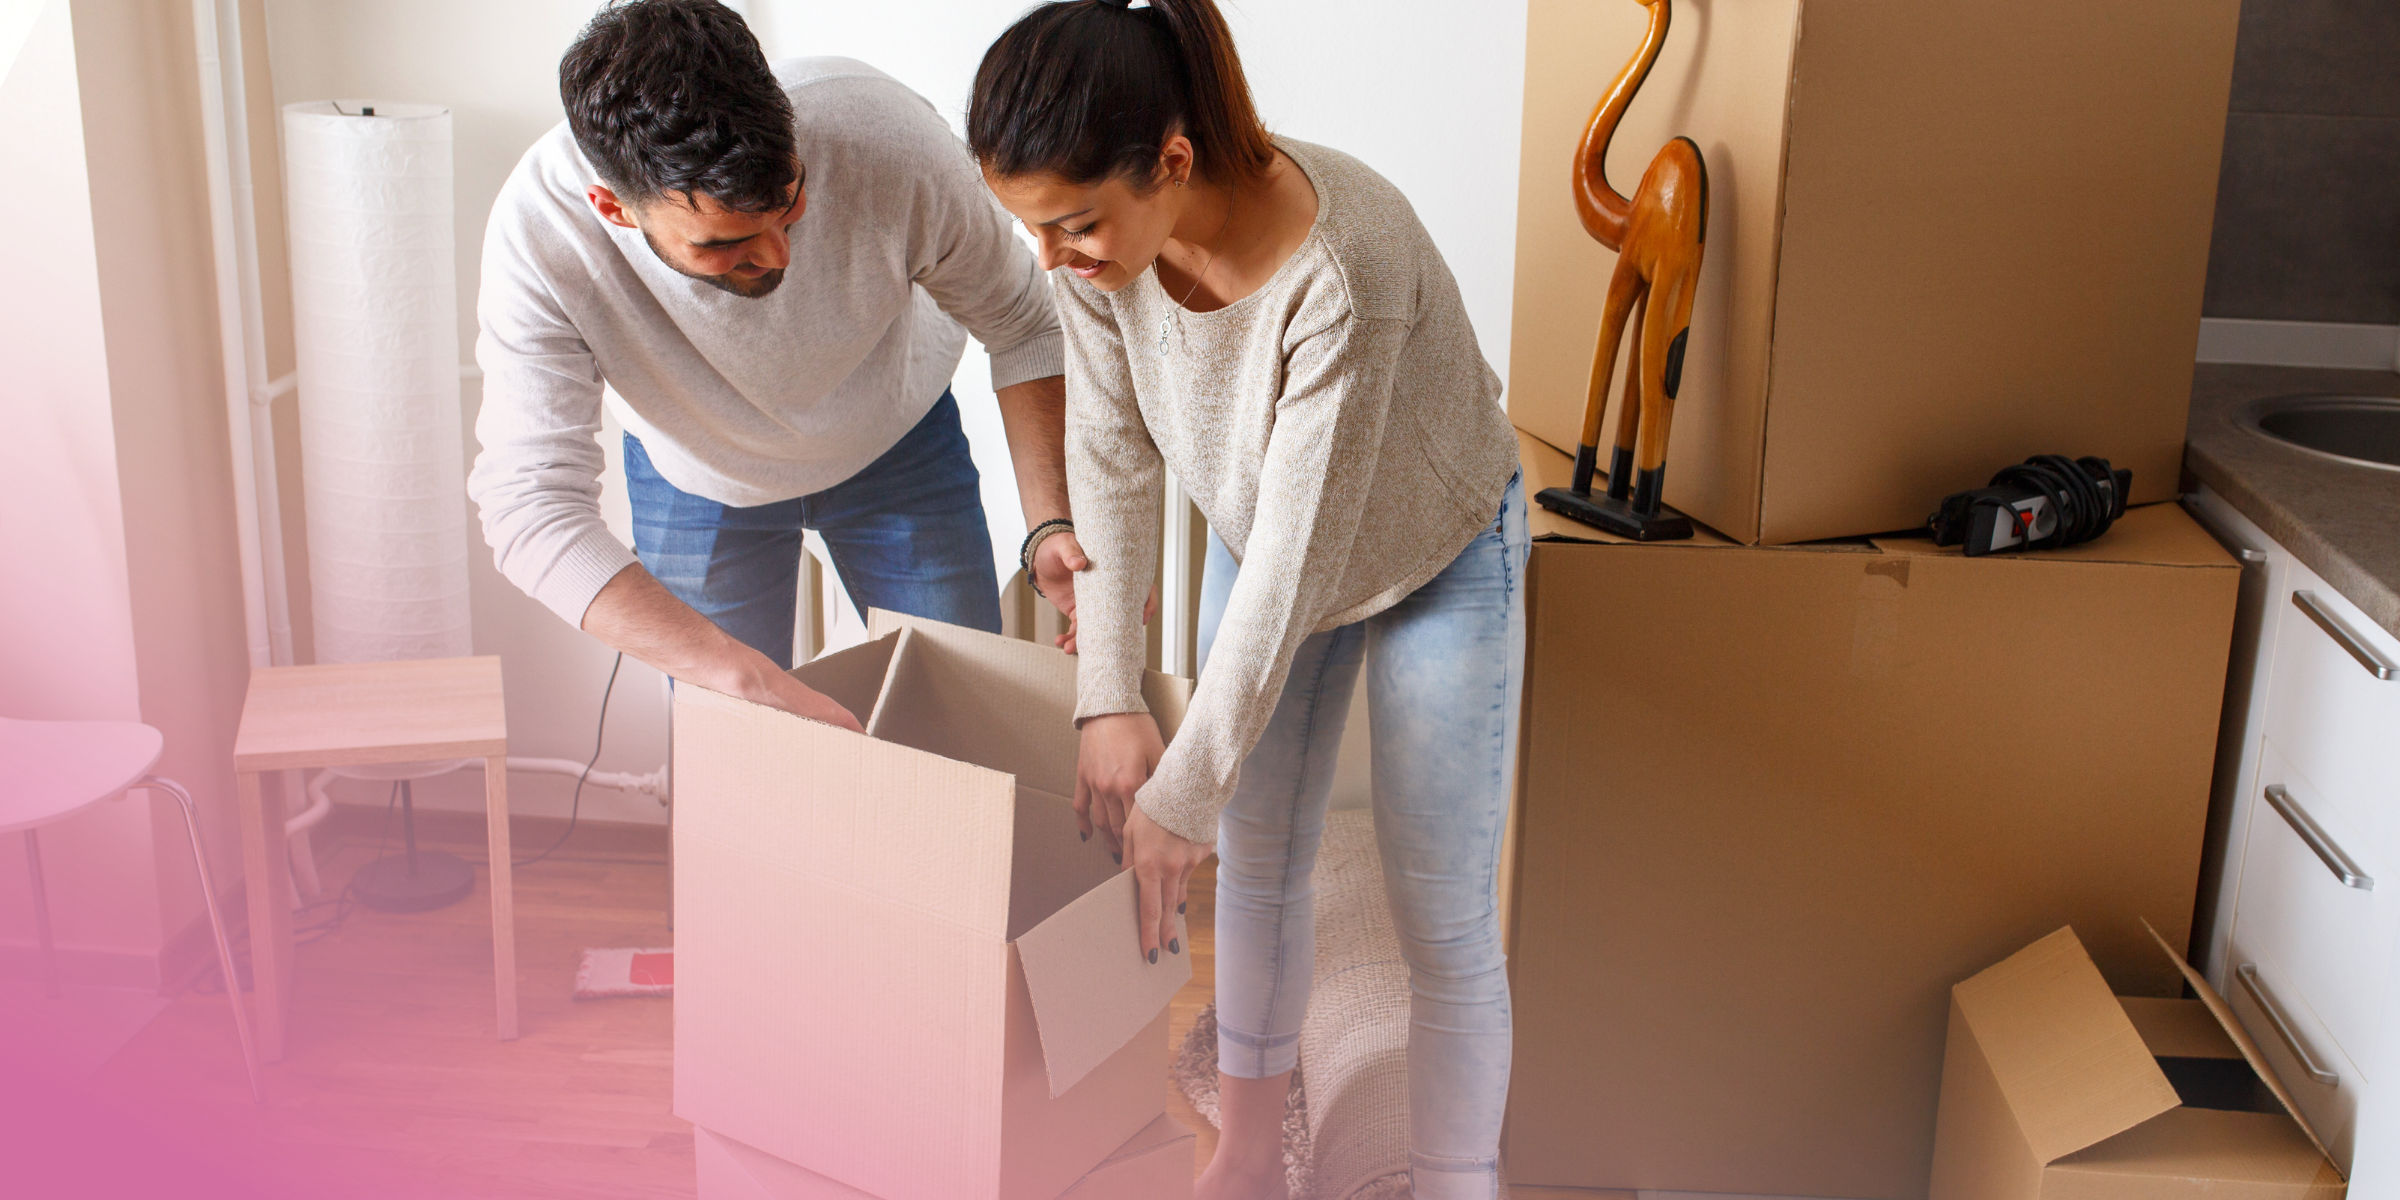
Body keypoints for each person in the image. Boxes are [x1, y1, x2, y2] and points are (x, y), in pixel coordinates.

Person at [967, 2, 1526, 1197]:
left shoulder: (1345, 264)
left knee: (1440, 907)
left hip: (1434, 546)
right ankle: (1244, 1156)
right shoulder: (1092, 255)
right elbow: (1111, 463)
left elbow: (1296, 566)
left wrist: (1185, 785)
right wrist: (1107, 693)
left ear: (1171, 160)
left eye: (1074, 226)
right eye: (1037, 231)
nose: (1057, 258)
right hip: (1263, 530)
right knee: (1261, 859)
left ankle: (1455, 1179)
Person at [471, 0, 1093, 728]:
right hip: (696, 473)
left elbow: (1022, 322)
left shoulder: (888, 139)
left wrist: (1050, 520)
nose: (778, 256)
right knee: (736, 747)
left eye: (790, 203)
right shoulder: (542, 236)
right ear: (616, 210)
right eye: (722, 243)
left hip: (896, 442)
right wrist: (744, 680)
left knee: (962, 724)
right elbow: (530, 506)